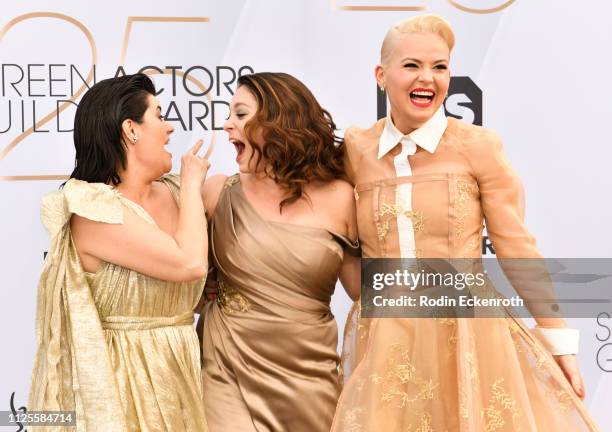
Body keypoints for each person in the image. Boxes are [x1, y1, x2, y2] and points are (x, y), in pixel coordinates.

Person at [330, 15, 600, 431]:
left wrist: (559, 342)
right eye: (412, 65)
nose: (428, 78)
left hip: (469, 333)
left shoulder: (478, 146)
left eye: (440, 66)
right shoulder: (356, 149)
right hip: (385, 337)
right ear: (381, 76)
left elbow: (516, 247)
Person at [29, 74, 211, 431]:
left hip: (183, 372)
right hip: (124, 385)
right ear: (131, 129)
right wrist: (192, 183)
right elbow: (190, 263)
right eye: (159, 115)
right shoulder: (93, 211)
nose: (171, 128)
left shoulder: (174, 194)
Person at [199, 72, 360, 432]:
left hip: (310, 379)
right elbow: (187, 286)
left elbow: (361, 291)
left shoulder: (340, 198)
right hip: (226, 370)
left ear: (279, 121)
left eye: (240, 115)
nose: (227, 125)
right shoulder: (215, 193)